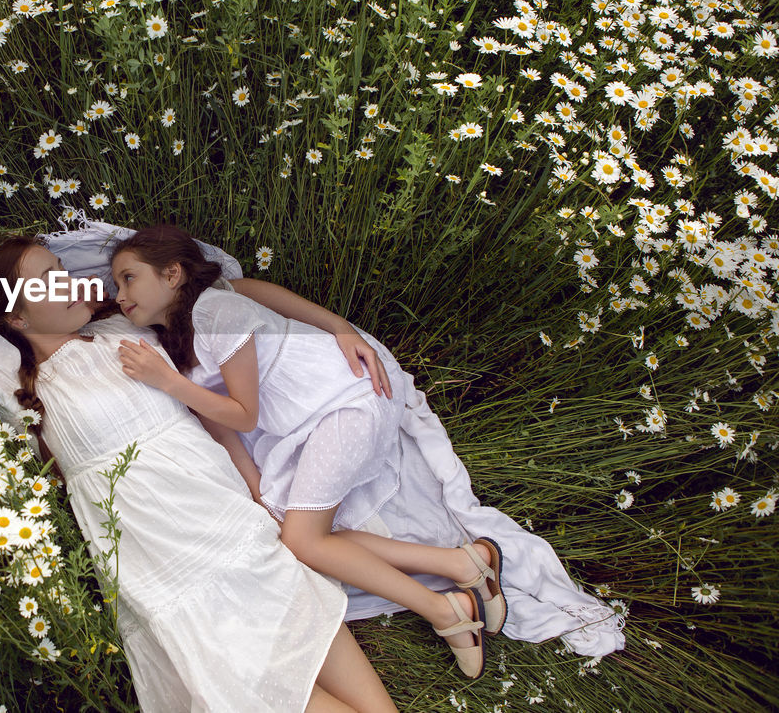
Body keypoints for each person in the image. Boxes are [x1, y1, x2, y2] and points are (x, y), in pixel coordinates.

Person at [88, 221, 622, 662]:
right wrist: (254, 488)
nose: (121, 295)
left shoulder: (213, 312)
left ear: (173, 273)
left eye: (128, 279)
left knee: (305, 541)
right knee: (291, 528)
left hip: (345, 403)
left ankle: (448, 608)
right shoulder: (189, 330)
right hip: (314, 422)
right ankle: (466, 565)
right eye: (116, 286)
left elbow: (244, 415)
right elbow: (225, 414)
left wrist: (340, 329)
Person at [0, 235, 399, 713]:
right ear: (14, 317)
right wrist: (29, 290)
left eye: (63, 271)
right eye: (48, 280)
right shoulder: (13, 380)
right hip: (164, 568)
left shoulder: (124, 327)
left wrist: (336, 325)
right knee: (250, 690)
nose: (67, 281)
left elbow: (235, 298)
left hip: (230, 525)